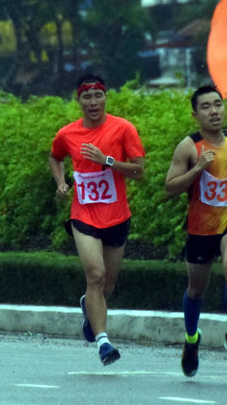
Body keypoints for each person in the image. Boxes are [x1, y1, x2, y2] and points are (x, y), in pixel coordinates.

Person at [49, 74, 146, 365]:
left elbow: (139, 172)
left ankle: (87, 306)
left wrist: (107, 160)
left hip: (117, 216)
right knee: (96, 275)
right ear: (78, 101)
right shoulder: (67, 134)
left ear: (106, 98)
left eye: (98, 96)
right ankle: (104, 343)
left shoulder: (123, 129)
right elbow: (55, 157)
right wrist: (60, 182)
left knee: (107, 286)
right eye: (86, 97)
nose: (93, 103)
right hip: (84, 214)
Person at [165, 85, 227, 377]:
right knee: (196, 290)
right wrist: (197, 169)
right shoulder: (189, 147)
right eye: (206, 107)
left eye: (218, 104)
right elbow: (170, 187)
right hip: (201, 230)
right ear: (195, 115)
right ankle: (192, 339)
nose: (214, 111)